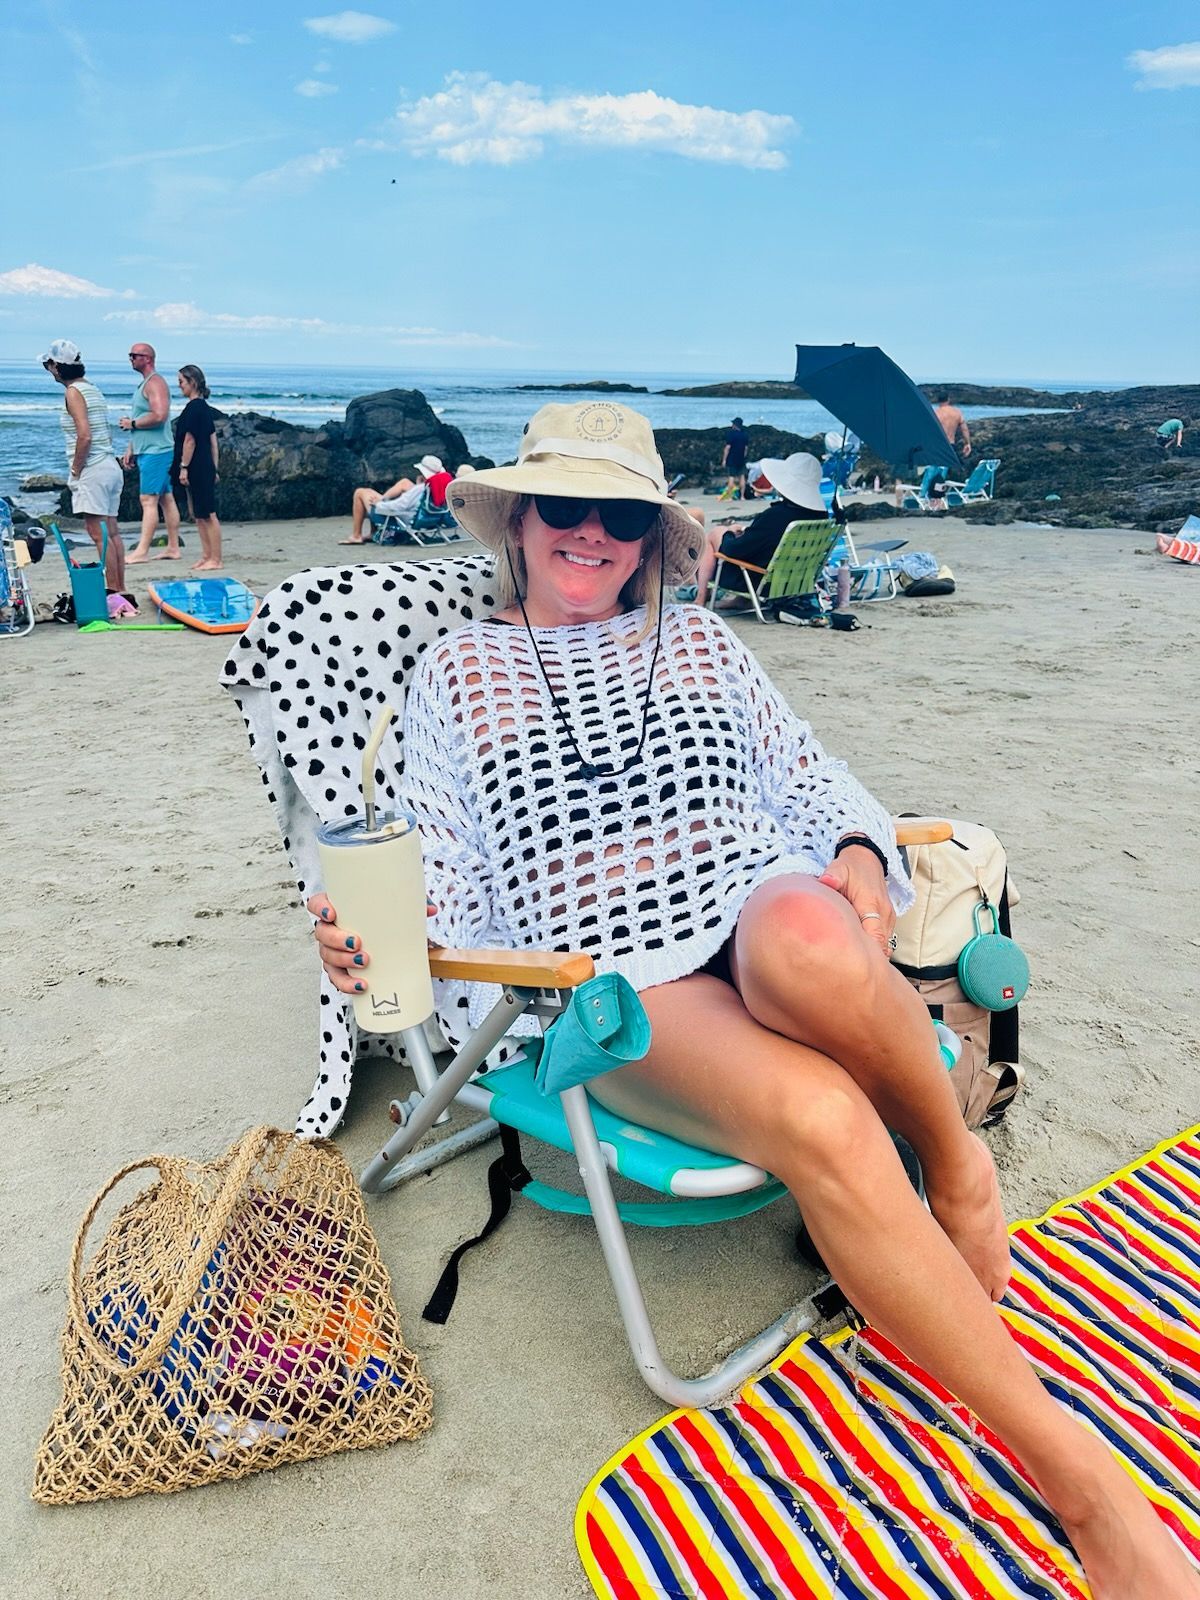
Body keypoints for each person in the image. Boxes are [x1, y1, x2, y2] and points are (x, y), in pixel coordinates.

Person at [309, 400, 1199, 1600]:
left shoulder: (704, 641)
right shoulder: (456, 677)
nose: (589, 535)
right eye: (561, 508)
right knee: (827, 1120)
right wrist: (371, 944)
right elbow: (446, 890)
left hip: (760, 912)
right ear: (516, 519)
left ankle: (954, 1158)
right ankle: (1085, 1487)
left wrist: (861, 858)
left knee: (799, 934)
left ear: (648, 532)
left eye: (617, 513)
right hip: (611, 983)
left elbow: (814, 775)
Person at [695, 451, 833, 607]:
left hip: (759, 581)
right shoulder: (819, 517)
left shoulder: (776, 516)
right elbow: (770, 539)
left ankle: (700, 598)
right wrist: (748, 531)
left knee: (715, 533)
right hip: (793, 583)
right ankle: (740, 601)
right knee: (742, 540)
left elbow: (733, 550)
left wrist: (729, 533)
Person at [40, 339, 125, 591]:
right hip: (109, 465)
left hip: (94, 469)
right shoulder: (92, 389)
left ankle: (112, 592)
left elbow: (85, 435)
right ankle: (121, 590)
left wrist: (76, 469)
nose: (48, 370)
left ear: (56, 366)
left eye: (48, 365)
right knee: (112, 533)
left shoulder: (73, 392)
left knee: (99, 535)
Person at [118, 342, 182, 564]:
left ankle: (142, 550)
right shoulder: (146, 383)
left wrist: (132, 423)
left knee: (148, 500)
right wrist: (131, 448)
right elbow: (144, 418)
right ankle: (173, 547)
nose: (131, 359)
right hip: (149, 450)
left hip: (157, 452)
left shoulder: (155, 383)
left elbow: (160, 415)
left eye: (134, 355)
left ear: (147, 358)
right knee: (166, 499)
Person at [171, 365, 221, 571]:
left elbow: (189, 441)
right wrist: (215, 468)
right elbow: (213, 441)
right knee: (199, 514)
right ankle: (206, 555)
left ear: (192, 382)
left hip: (197, 466)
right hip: (204, 466)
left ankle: (216, 559)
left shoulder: (195, 409)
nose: (179, 386)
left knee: (208, 514)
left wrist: (184, 467)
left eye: (181, 382)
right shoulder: (203, 408)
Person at [341, 454, 452, 545]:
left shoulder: (421, 489)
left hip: (405, 519)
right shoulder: (439, 487)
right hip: (430, 518)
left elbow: (398, 506)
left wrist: (379, 503)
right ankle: (372, 532)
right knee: (401, 484)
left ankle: (356, 535)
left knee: (360, 492)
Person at [934, 392, 971, 466]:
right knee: (953, 467)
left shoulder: (935, 413)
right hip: (951, 445)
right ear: (948, 399)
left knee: (938, 469)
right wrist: (967, 443)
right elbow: (964, 429)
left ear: (938, 400)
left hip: (938, 446)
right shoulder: (957, 412)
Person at [720, 416, 750, 499]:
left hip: (732, 458)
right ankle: (742, 496)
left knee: (731, 477)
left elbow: (728, 447)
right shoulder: (745, 435)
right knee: (742, 477)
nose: (732, 425)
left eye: (733, 424)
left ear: (735, 425)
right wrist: (743, 457)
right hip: (741, 459)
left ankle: (730, 496)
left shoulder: (731, 434)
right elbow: (746, 449)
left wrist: (724, 460)